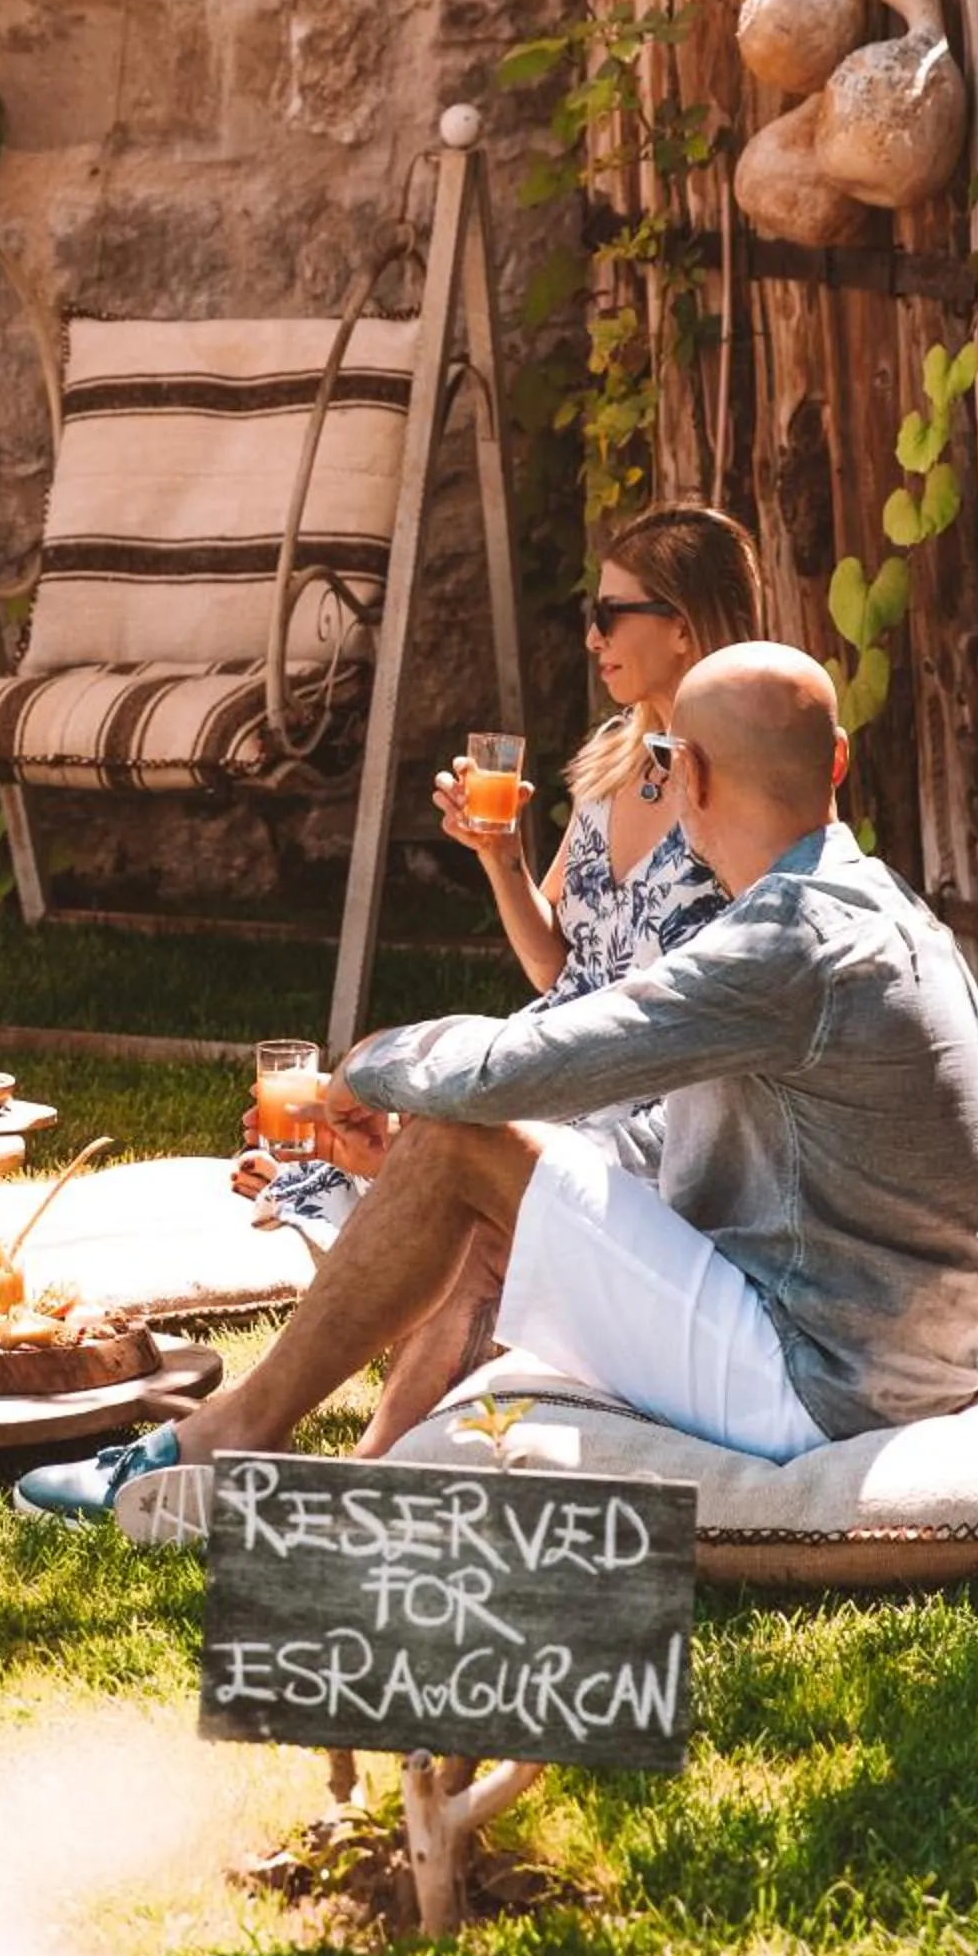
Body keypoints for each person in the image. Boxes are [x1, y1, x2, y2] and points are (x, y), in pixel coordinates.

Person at [20, 643, 978, 1543]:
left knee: (466, 1137)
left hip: (827, 1379)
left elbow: (528, 1062)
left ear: (693, 775)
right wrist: (428, 1158)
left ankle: (225, 1439)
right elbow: (676, 1140)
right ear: (836, 761)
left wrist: (370, 1063)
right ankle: (377, 1466)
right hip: (898, 1353)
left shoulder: (787, 942)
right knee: (473, 1156)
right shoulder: (874, 905)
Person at [234, 504, 763, 1444]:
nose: (592, 637)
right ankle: (399, 1324)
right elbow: (561, 963)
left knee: (442, 1167)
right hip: (562, 1056)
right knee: (386, 1138)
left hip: (653, 1090)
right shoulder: (616, 761)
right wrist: (501, 855)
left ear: (684, 626)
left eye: (611, 614)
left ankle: (375, 1450)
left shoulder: (742, 782)